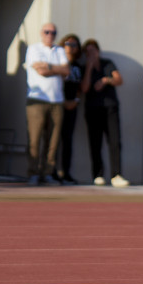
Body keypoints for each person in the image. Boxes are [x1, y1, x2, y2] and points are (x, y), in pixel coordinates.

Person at [24, 22, 70, 186]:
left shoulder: (59, 50)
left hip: (57, 101)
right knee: (35, 139)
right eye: (47, 32)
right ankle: (33, 173)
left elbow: (66, 71)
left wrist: (48, 66)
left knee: (53, 141)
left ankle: (48, 173)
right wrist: (56, 69)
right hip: (37, 100)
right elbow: (41, 72)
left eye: (53, 32)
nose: (50, 35)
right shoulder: (33, 49)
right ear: (41, 33)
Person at [80, 39, 128, 187]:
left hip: (110, 108)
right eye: (88, 52)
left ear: (98, 51)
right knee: (95, 142)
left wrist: (106, 80)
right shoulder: (83, 67)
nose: (91, 54)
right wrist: (89, 67)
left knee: (115, 141)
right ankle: (98, 175)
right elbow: (84, 88)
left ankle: (116, 175)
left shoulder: (108, 63)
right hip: (93, 109)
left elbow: (119, 80)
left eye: (93, 50)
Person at [56, 33, 83, 184]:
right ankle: (52, 172)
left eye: (74, 45)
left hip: (73, 106)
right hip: (58, 104)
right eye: (68, 44)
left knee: (68, 140)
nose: (71, 48)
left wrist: (76, 101)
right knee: (54, 140)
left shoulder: (78, 66)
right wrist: (63, 101)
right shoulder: (58, 63)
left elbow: (80, 88)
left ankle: (66, 173)